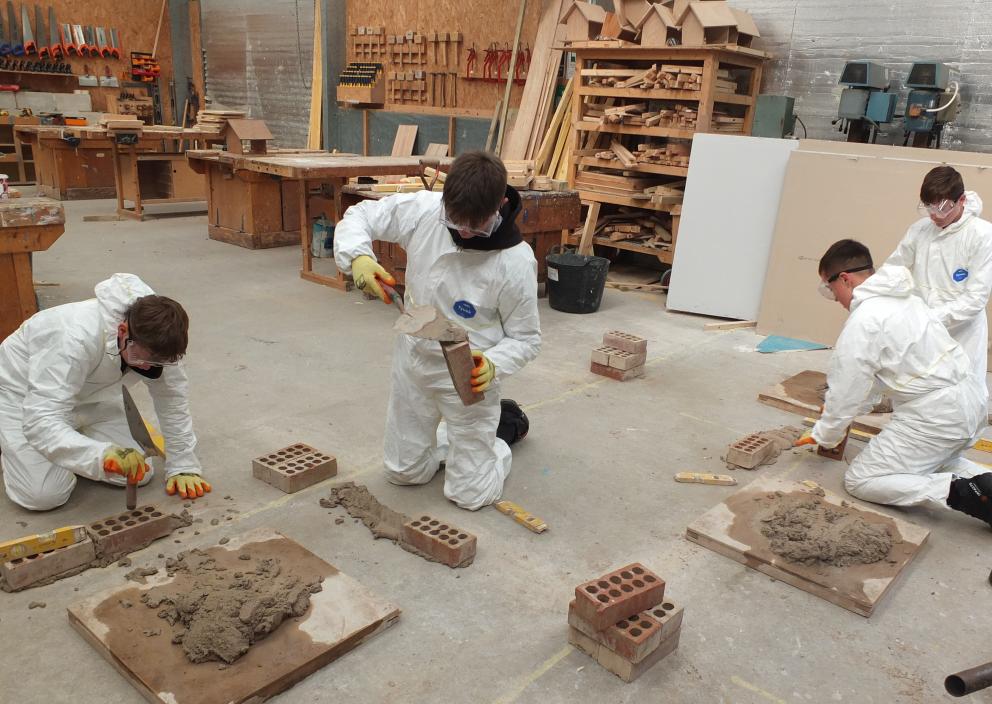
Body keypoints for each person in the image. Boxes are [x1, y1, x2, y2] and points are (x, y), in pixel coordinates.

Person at [334, 150, 540, 510]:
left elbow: (526, 339)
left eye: (474, 225)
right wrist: (359, 257)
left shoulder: (515, 261)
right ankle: (453, 437)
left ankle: (500, 437)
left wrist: (495, 364)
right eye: (455, 221)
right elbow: (360, 215)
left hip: (469, 375)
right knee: (403, 473)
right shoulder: (424, 210)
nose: (463, 232)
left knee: (470, 495)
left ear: (500, 205)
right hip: (414, 361)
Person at [797, 239, 992, 526]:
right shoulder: (909, 300)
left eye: (831, 288)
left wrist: (824, 434)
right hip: (971, 401)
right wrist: (856, 409)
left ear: (846, 280)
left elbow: (846, 392)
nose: (835, 299)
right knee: (939, 461)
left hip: (936, 416)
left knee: (861, 479)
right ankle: (983, 482)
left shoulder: (864, 322)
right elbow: (874, 379)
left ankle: (963, 493)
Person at [0, 273, 210, 511]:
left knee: (139, 472)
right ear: (122, 330)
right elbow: (41, 419)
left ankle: (69, 439)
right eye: (139, 357)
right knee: (43, 495)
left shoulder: (163, 343)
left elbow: (172, 402)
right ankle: (12, 442)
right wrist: (99, 455)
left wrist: (183, 465)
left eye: (156, 362)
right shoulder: (73, 338)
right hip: (24, 397)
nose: (146, 367)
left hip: (93, 398)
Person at [884, 166, 992, 384]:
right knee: (918, 390)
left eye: (942, 208)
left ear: (961, 200)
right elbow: (894, 270)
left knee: (961, 394)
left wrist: (928, 318)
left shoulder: (982, 235)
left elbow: (975, 299)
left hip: (962, 335)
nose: (934, 215)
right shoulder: (920, 230)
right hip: (923, 332)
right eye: (928, 207)